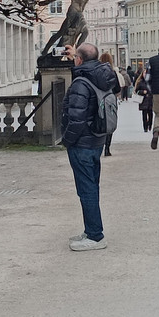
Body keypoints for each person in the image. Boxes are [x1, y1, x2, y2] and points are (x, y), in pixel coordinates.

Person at [60, 42, 119, 252]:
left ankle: (95, 235)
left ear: (79, 59)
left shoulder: (81, 83)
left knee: (86, 189)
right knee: (91, 187)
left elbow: (76, 118)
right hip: (96, 139)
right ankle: (91, 229)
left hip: (82, 143)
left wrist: (67, 140)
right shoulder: (103, 76)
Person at [39, 0, 128, 56]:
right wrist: (47, 2)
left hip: (79, 12)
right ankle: (76, 52)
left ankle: (51, 51)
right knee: (83, 32)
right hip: (74, 11)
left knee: (62, 32)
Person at [99, 52, 123, 157]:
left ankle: (99, 145)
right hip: (110, 101)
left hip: (99, 100)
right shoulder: (112, 73)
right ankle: (107, 148)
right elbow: (117, 89)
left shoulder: (96, 73)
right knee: (110, 123)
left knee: (100, 122)